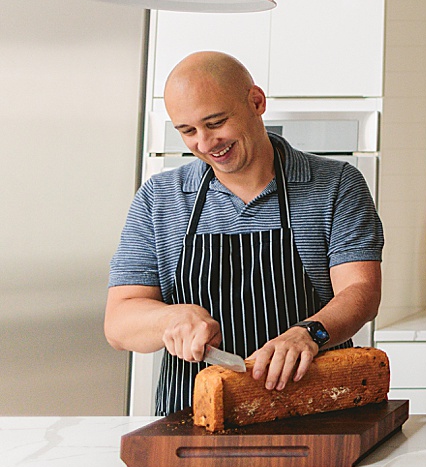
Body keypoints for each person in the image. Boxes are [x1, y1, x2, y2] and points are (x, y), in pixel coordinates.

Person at [104, 52, 383, 416]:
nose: (205, 143)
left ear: (256, 102)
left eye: (215, 123)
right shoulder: (160, 198)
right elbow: (119, 323)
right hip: (193, 419)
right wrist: (168, 320)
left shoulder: (336, 184)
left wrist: (308, 334)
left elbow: (361, 291)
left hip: (315, 413)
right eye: (187, 131)